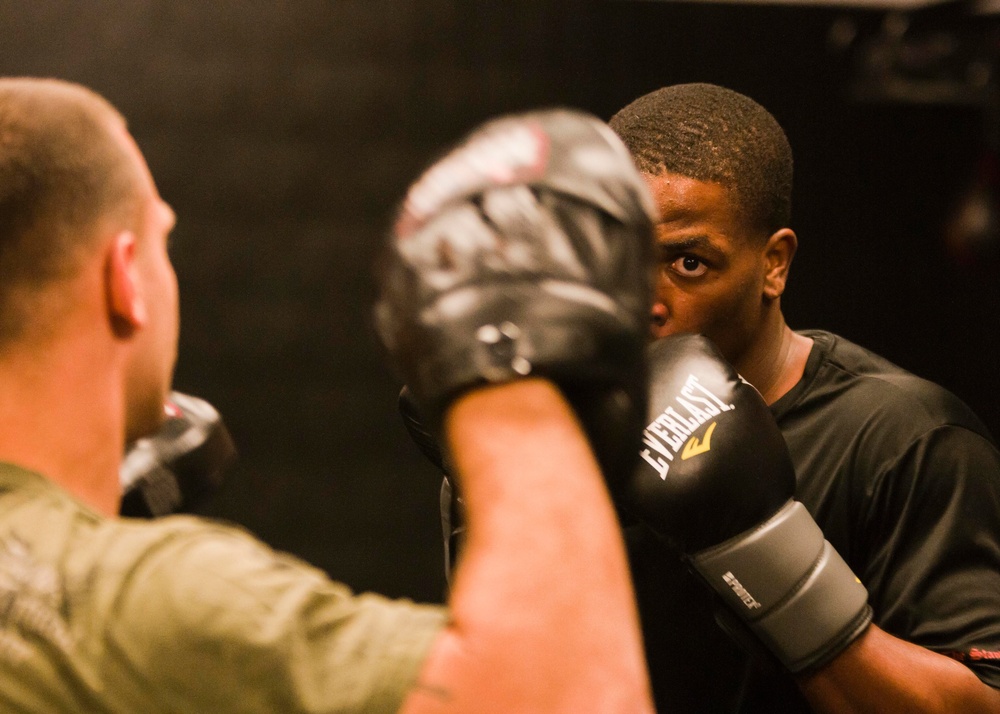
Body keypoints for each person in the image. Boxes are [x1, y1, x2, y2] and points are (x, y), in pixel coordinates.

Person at [0, 77, 658, 712]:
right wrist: (506, 375)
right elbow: (571, 696)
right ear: (126, 279)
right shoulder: (132, 604)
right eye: (160, 240)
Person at [608, 82, 1000, 712]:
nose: (645, 302)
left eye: (688, 263)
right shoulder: (581, 432)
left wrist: (770, 562)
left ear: (774, 264)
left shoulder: (906, 439)